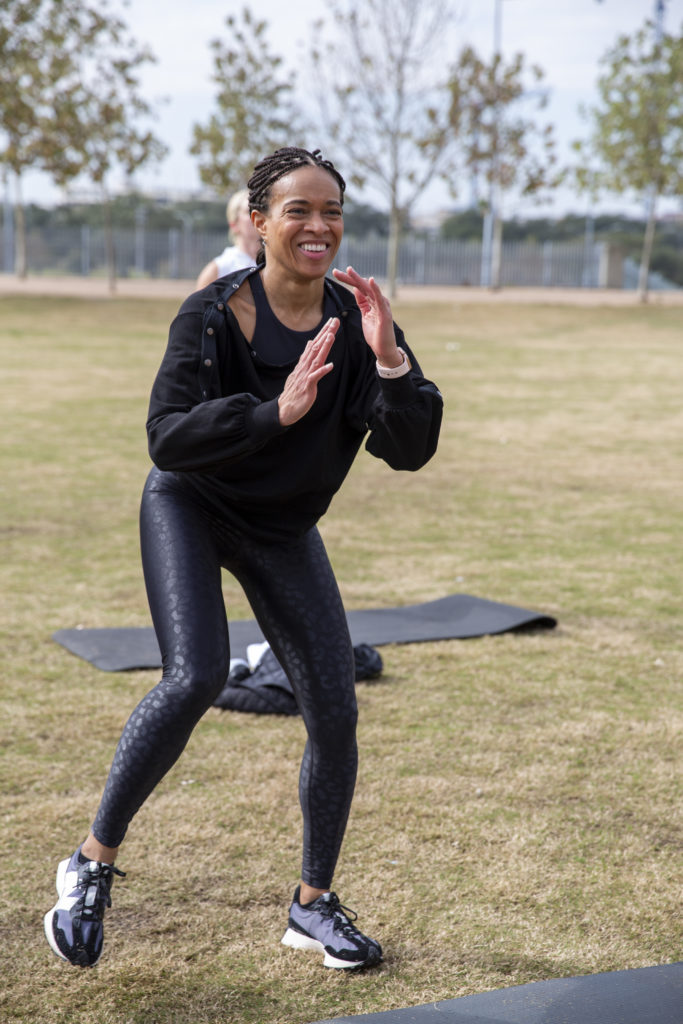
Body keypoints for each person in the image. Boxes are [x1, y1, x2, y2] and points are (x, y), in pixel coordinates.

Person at [44, 146, 443, 971]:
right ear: (257, 223)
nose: (318, 225)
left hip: (281, 528)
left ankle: (312, 906)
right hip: (191, 503)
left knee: (333, 708)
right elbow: (167, 436)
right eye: (298, 210)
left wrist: (392, 362)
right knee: (194, 675)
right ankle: (90, 862)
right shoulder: (210, 313)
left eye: (330, 211)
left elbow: (409, 452)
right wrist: (274, 413)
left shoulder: (359, 318)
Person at [195, 188, 260, 289]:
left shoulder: (276, 262)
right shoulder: (218, 270)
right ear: (234, 224)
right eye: (249, 211)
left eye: (261, 209)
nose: (258, 215)